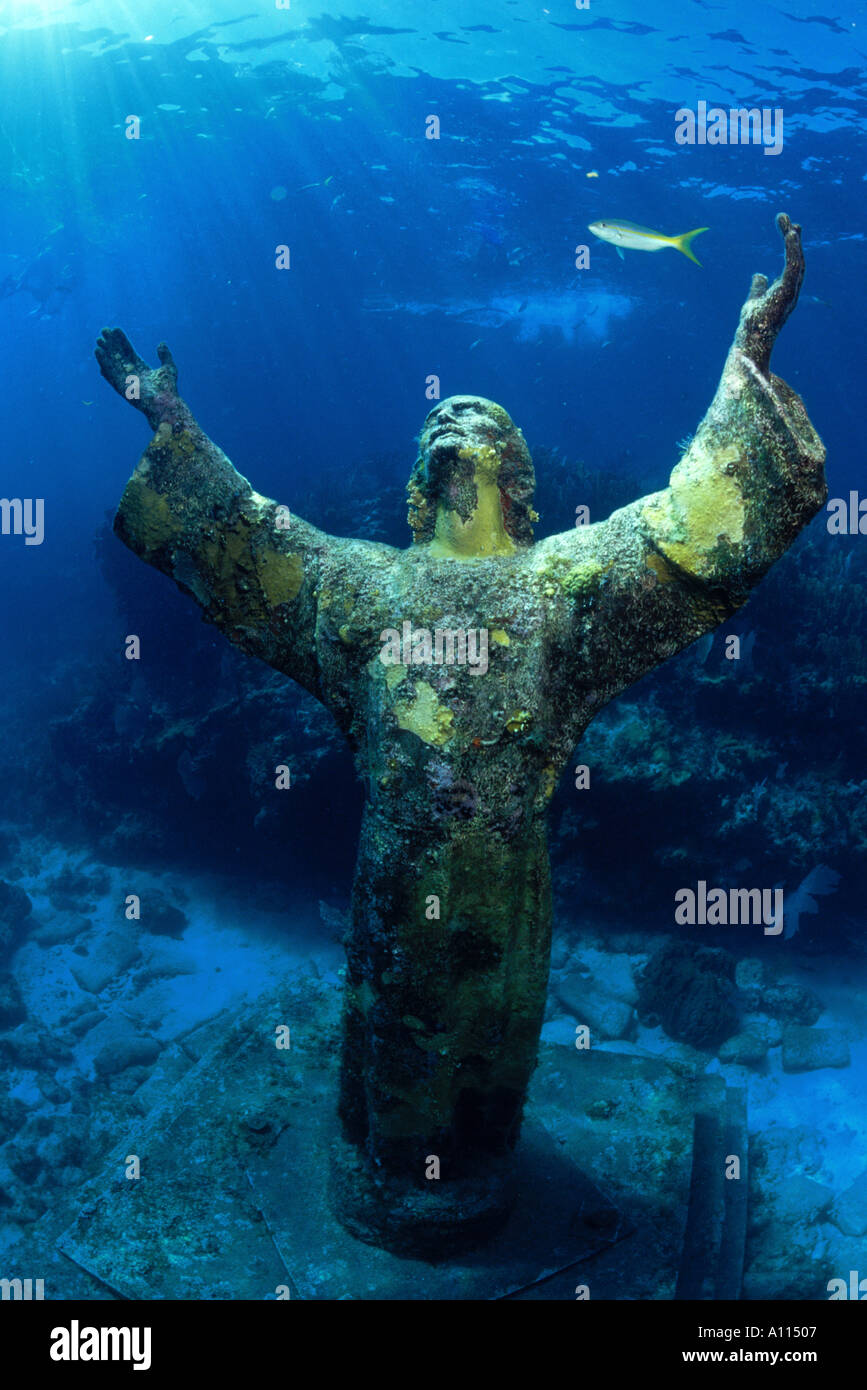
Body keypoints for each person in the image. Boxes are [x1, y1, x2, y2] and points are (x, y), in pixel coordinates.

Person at [96, 213, 825, 1256]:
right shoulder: (366, 587)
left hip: (505, 882)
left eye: (485, 424)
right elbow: (247, 535)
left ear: (516, 475)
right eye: (448, 422)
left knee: (488, 1049)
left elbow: (687, 532)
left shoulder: (562, 585)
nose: (463, 427)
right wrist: (169, 419)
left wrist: (746, 360)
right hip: (397, 872)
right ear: (420, 476)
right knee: (392, 1034)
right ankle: (384, 1196)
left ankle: (470, 1193)